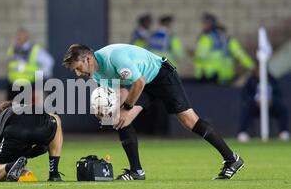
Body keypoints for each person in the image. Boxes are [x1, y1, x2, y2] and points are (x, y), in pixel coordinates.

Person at [63, 43, 245, 181]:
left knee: (189, 121)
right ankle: (136, 171)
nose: (78, 74)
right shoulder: (95, 73)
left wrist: (126, 108)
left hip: (161, 75)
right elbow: (121, 92)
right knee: (120, 120)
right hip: (143, 85)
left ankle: (232, 159)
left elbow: (139, 82)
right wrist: (106, 109)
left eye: (78, 68)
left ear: (88, 59)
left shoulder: (114, 57)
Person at [0, 101, 63, 182]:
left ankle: (11, 166)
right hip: (41, 123)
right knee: (56, 119)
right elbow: (43, 148)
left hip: (15, 130)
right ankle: (54, 174)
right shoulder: (24, 107)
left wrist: (14, 162)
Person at [238, 62, 289, 142]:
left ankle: (284, 132)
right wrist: (255, 100)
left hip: (271, 106)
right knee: (246, 109)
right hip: (255, 106)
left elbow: (278, 94)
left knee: (282, 108)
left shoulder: (272, 79)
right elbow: (245, 95)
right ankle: (242, 133)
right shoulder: (251, 80)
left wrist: (272, 100)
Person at [6, 28, 54, 101]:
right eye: (18, 36)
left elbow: (48, 62)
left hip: (30, 86)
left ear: (26, 37)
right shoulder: (12, 49)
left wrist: (39, 82)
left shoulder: (35, 50)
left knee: (30, 110)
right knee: (12, 110)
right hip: (13, 86)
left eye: (21, 36)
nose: (19, 38)